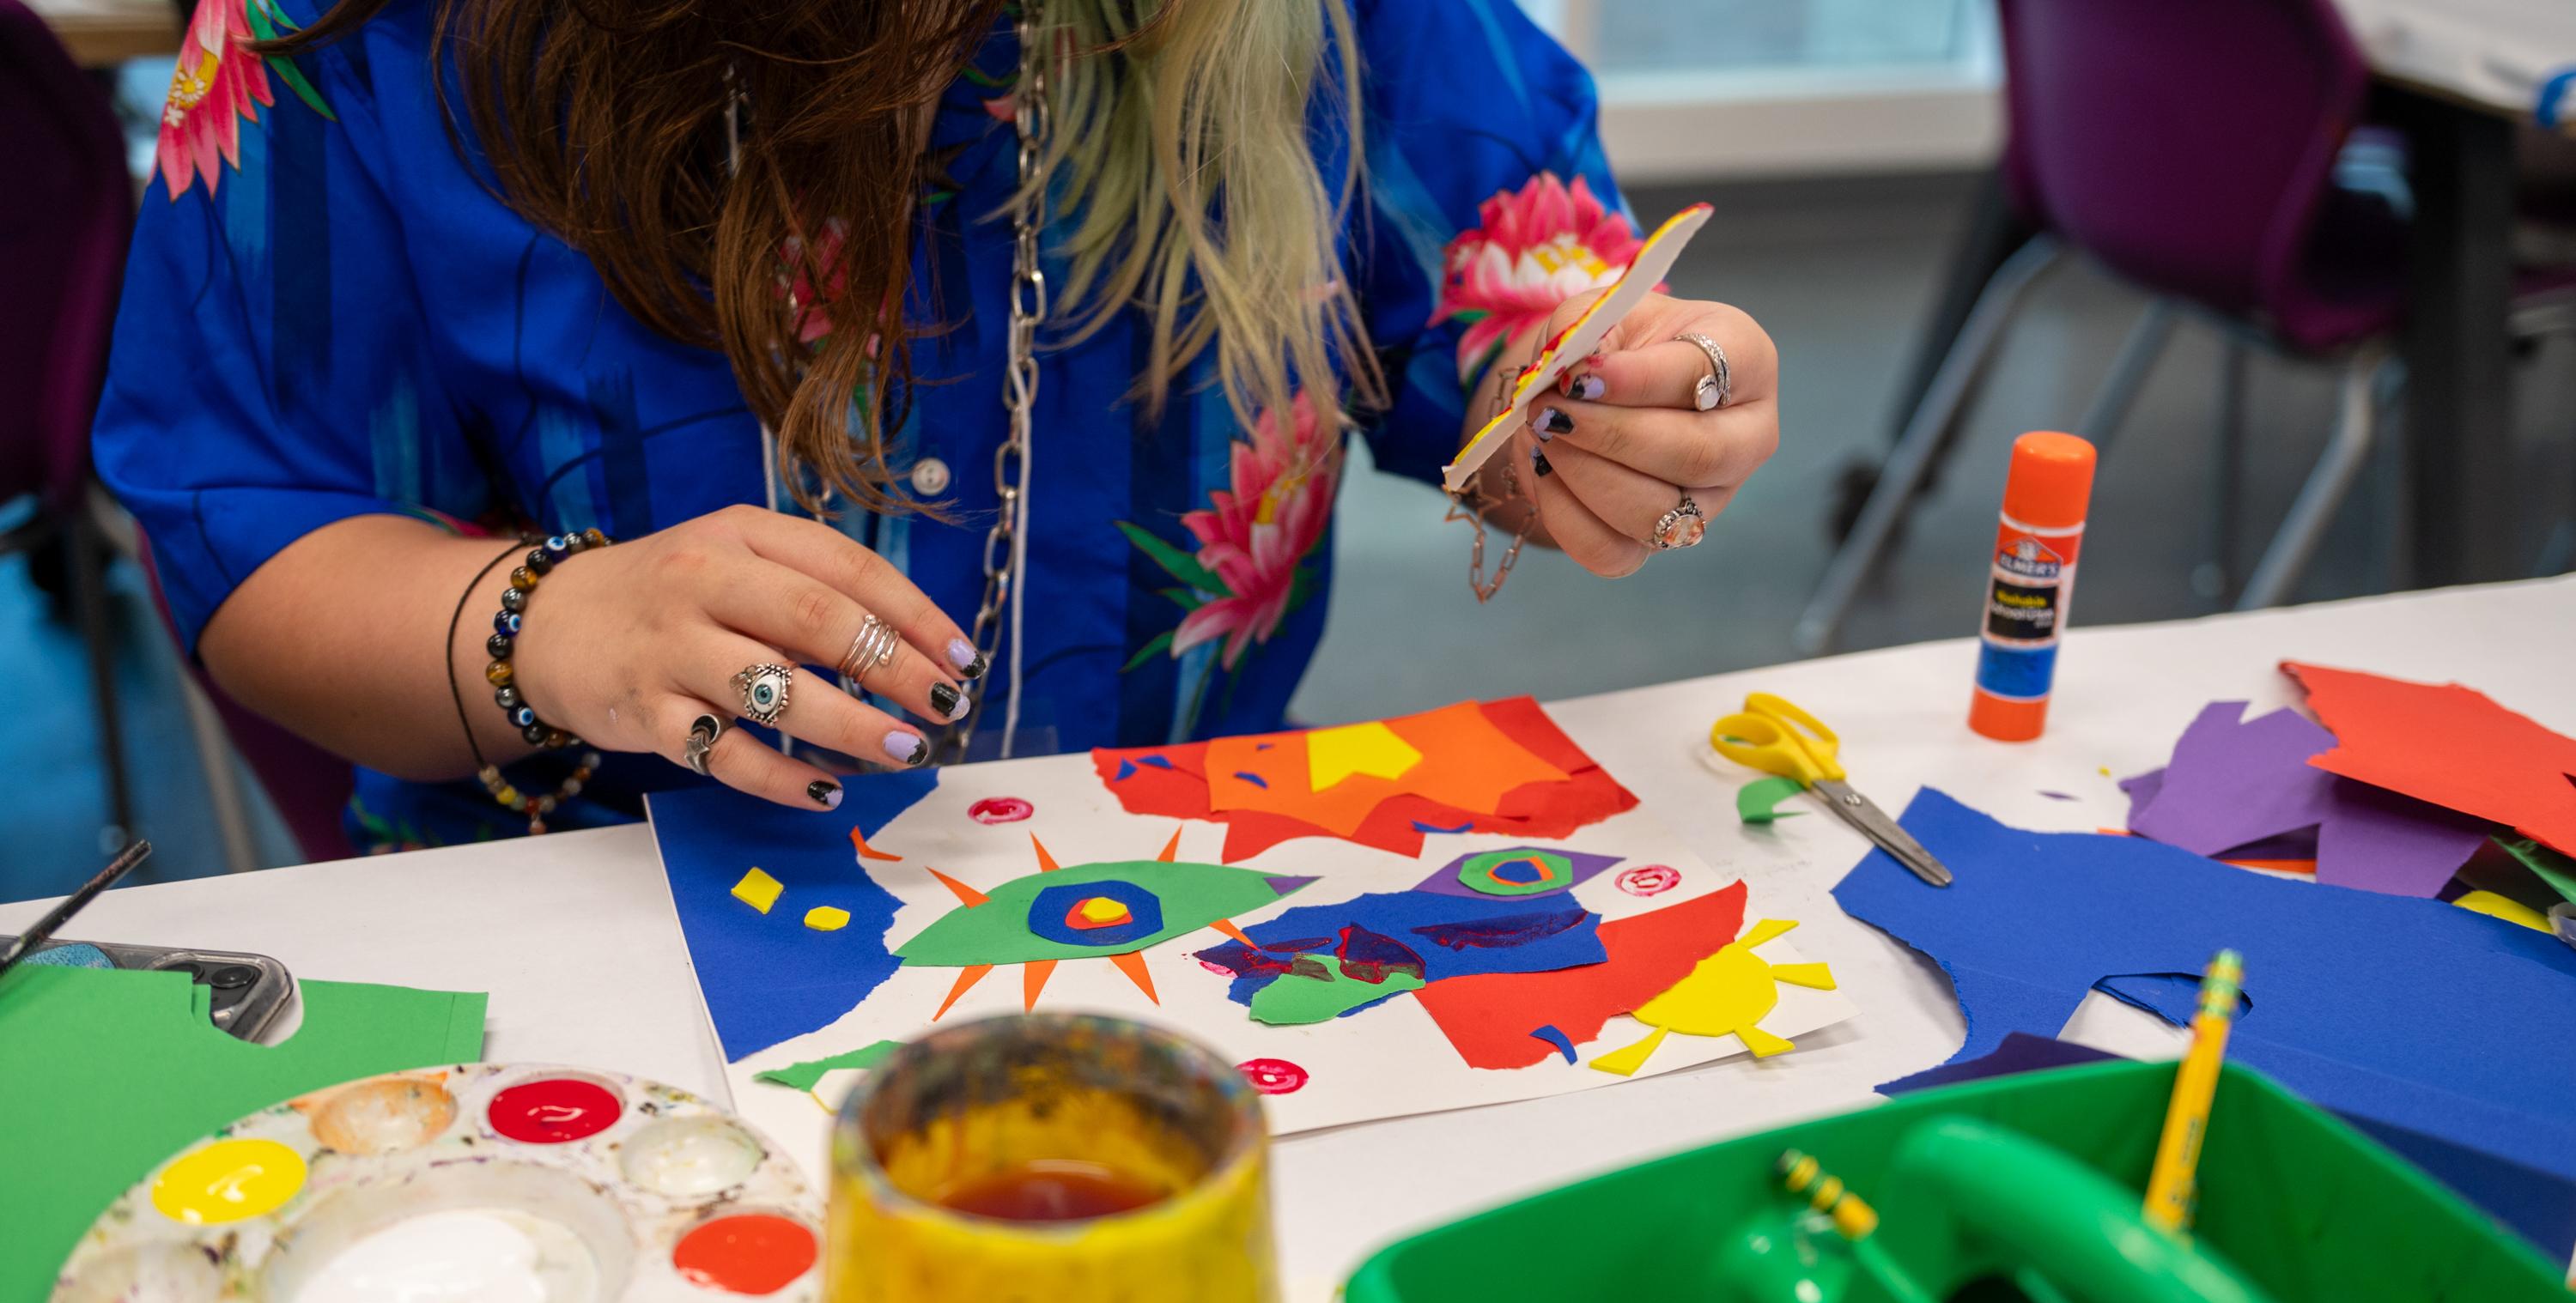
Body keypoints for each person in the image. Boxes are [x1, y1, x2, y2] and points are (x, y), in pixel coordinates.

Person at [97, 0, 1779, 848]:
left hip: (1171, 903)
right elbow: (251, 530)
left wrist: (1618, 403)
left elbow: (1506, 314)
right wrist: (556, 623)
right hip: (597, 963)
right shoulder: (367, 29)